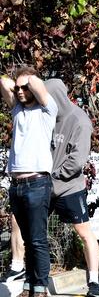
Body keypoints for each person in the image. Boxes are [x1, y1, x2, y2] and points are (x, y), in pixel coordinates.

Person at [0, 66, 58, 297]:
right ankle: (28, 285)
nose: (22, 91)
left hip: (37, 183)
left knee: (37, 239)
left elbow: (38, 86)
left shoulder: (47, 110)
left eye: (26, 87)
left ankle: (41, 286)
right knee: (26, 239)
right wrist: (17, 83)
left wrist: (29, 79)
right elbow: (3, 82)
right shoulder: (17, 110)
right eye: (19, 88)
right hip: (17, 185)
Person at [45, 79, 99, 297]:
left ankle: (94, 281)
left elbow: (77, 160)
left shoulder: (79, 120)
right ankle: (33, 279)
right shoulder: (46, 117)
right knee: (31, 230)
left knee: (84, 232)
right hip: (45, 185)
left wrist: (55, 175)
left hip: (69, 187)